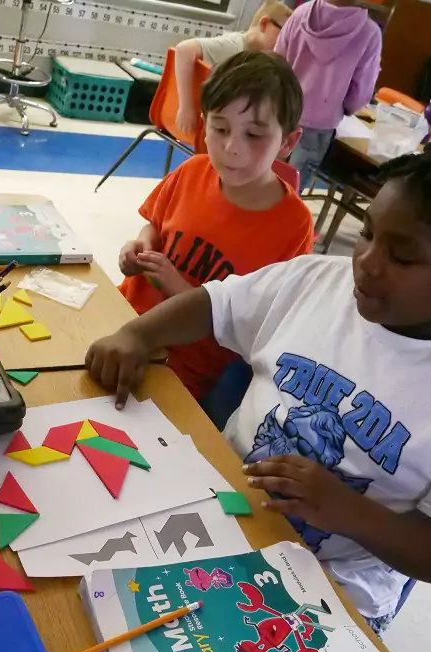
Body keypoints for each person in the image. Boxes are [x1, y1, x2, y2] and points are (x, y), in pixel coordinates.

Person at [88, 143, 431, 633]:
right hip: (214, 509)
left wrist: (349, 511)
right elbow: (216, 304)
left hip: (328, 591)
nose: (367, 262)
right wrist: (137, 334)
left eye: (403, 257)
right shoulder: (314, 281)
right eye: (367, 235)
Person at [118, 50, 313, 403]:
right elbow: (154, 227)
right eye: (220, 128)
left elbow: (253, 327)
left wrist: (179, 287)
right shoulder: (193, 171)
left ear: (288, 142)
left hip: (180, 366)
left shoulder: (293, 225)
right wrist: (140, 246)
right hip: (121, 317)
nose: (231, 147)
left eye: (254, 135)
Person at [274, 0, 382, 190]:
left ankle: (249, 217)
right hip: (319, 126)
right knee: (291, 190)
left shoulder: (301, 13)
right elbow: (360, 91)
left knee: (262, 177)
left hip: (281, 113)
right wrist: (345, 107)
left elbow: (275, 63)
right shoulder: (369, 33)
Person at [174, 1, 292, 134]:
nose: (286, 43)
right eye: (284, 34)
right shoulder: (235, 45)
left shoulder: (257, 57)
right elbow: (183, 50)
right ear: (264, 24)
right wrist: (186, 108)